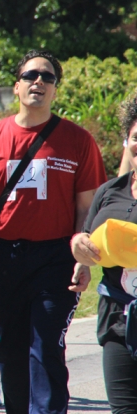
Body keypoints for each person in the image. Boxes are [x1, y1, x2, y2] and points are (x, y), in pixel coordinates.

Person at [0, 50, 107, 414]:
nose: (39, 81)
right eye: (31, 75)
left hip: (57, 258)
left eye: (47, 77)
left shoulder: (78, 140)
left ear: (55, 90)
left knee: (47, 347)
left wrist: (83, 258)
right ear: (17, 86)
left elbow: (88, 207)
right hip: (5, 257)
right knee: (11, 351)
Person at [71, 94, 137, 413]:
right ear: (127, 140)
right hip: (118, 319)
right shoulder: (109, 191)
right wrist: (80, 254)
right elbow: (87, 239)